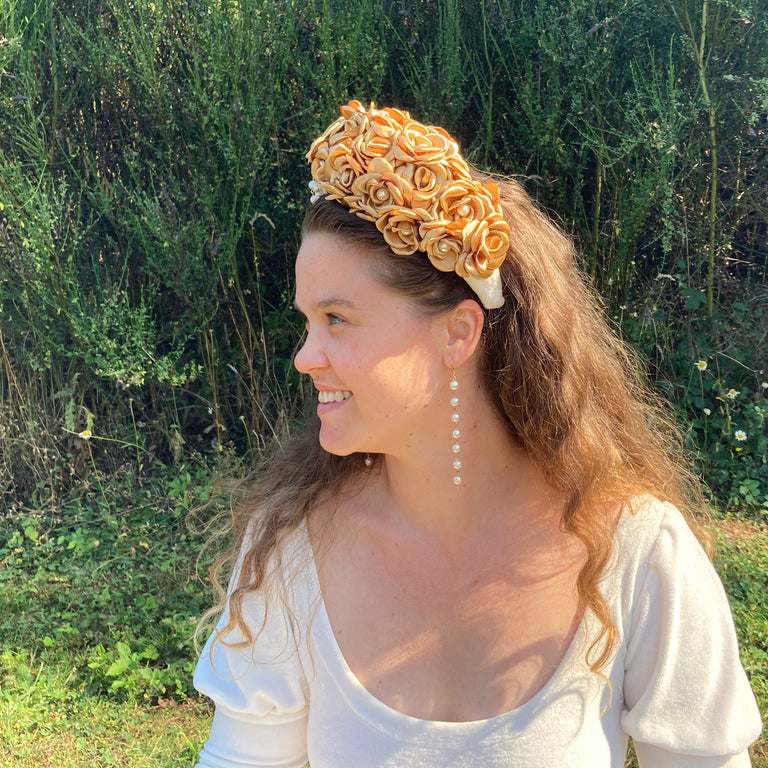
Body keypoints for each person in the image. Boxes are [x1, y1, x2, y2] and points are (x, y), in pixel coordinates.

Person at [193, 101, 762, 767]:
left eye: (337, 319)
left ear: (457, 333)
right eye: (307, 322)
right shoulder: (289, 550)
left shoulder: (634, 552)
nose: (304, 356)